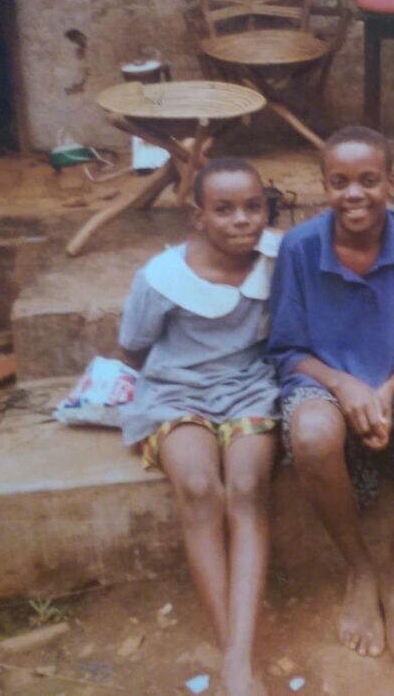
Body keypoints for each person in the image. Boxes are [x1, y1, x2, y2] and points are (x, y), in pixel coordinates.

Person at [268, 126, 394, 666]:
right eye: (340, 181)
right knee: (310, 434)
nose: (354, 193)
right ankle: (359, 568)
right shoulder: (300, 247)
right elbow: (287, 349)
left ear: (391, 184)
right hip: (322, 379)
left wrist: (386, 390)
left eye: (368, 180)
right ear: (324, 187)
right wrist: (344, 384)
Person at [119, 158, 280, 696]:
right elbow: (135, 349)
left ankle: (237, 658)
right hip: (175, 389)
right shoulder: (163, 278)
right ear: (197, 217)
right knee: (197, 487)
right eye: (224, 209)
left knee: (249, 487)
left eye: (253, 207)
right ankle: (236, 656)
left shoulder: (279, 261)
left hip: (250, 388)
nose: (243, 221)